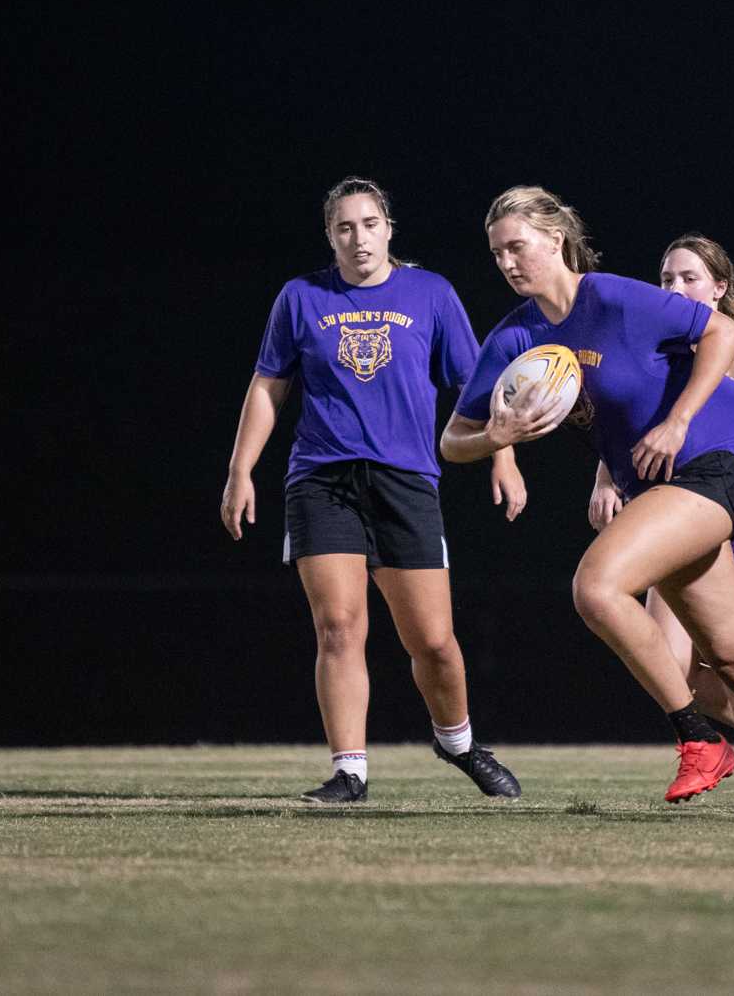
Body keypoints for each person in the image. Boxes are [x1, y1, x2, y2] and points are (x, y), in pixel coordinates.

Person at [441, 186, 734, 822]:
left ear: (556, 240)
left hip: (714, 460)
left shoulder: (612, 297)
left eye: (518, 246)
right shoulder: (516, 336)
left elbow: (724, 332)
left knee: (597, 586)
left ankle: (699, 739)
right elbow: (452, 440)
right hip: (659, 484)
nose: (508, 261)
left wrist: (678, 419)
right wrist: (494, 438)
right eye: (497, 253)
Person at [221, 178, 523, 805]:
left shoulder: (431, 293)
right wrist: (240, 470)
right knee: (338, 626)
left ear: (389, 227)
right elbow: (267, 386)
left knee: (434, 641)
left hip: (406, 480)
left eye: (369, 224)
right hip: (320, 479)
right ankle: (349, 771)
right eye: (344, 228)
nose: (358, 238)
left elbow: (476, 389)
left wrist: (503, 458)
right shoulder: (301, 297)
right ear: (330, 236)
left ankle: (459, 742)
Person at [588, 235, 734, 814]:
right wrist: (607, 479)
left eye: (689, 278)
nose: (675, 289)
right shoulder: (657, 344)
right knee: (677, 664)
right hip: (685, 502)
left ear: (719, 288)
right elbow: (631, 414)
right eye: (666, 279)